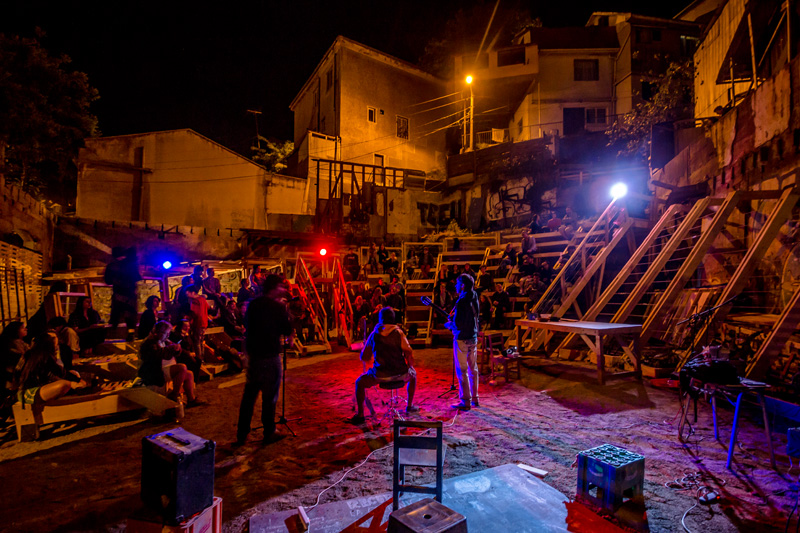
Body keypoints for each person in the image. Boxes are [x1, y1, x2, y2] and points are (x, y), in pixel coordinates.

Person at [236, 274, 294, 446]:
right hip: (270, 355)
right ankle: (269, 431)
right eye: (282, 287)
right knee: (270, 397)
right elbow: (287, 329)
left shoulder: (254, 304)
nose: (283, 290)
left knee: (249, 397)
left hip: (255, 356)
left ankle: (242, 434)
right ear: (274, 287)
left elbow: (247, 324)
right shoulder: (278, 307)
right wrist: (286, 310)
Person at [348, 308, 417, 424]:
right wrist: (410, 366)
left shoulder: (374, 334)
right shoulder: (399, 333)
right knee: (413, 375)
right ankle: (409, 406)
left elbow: (364, 357)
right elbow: (409, 353)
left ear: (380, 319)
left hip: (380, 376)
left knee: (359, 382)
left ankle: (360, 415)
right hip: (400, 374)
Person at [16, 332, 86, 409]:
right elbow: (61, 372)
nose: (57, 347)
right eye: (55, 344)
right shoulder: (44, 356)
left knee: (70, 377)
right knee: (64, 384)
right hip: (28, 393)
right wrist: (79, 380)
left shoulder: (32, 353)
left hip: (29, 390)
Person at [138, 321, 199, 405]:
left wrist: (177, 349)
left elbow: (172, 352)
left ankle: (191, 399)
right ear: (159, 332)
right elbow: (157, 354)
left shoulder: (164, 341)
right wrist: (171, 348)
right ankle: (174, 394)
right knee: (182, 368)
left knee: (189, 374)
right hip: (156, 371)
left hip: (166, 369)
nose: (168, 335)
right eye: (166, 333)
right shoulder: (150, 343)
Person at [447, 274, 480, 410]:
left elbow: (458, 324)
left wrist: (449, 325)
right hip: (473, 336)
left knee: (462, 370)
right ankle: (475, 398)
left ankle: (465, 400)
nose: (455, 286)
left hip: (462, 338)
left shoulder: (461, 302)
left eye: (457, 283)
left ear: (462, 285)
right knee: (474, 368)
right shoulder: (475, 296)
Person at [105, 246, 141, 340]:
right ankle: (131, 334)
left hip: (118, 294)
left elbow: (107, 280)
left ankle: (112, 334)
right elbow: (137, 277)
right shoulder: (132, 264)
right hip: (130, 294)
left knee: (115, 316)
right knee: (131, 317)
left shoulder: (112, 265)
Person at [186, 286, 209, 360]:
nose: (187, 295)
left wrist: (189, 321)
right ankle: (202, 358)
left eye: (188, 293)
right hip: (204, 323)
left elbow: (194, 313)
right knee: (201, 341)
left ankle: (199, 359)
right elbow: (208, 308)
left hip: (197, 323)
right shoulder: (203, 299)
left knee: (197, 342)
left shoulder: (195, 301)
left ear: (193, 292)